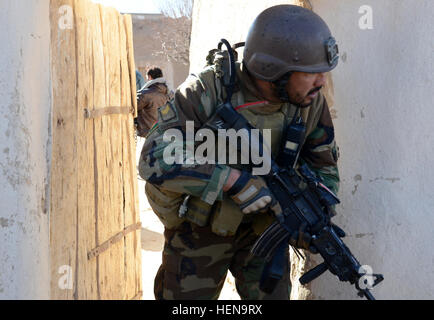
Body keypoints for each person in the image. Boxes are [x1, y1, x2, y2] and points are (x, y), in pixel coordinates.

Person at [138, 5, 340, 300]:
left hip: (266, 232)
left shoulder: (311, 103)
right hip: (200, 226)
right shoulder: (209, 90)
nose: (321, 82)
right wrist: (232, 180)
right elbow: (154, 156)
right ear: (276, 70)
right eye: (311, 73)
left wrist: (311, 216)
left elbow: (326, 171)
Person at [135, 67, 171, 137]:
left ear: (149, 77)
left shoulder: (145, 94)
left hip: (147, 135)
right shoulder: (169, 93)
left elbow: (132, 108)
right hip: (164, 134)